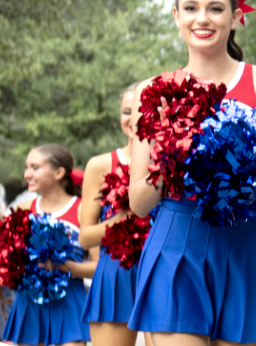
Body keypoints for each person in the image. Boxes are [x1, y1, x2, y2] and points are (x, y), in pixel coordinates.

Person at [126, 0, 256, 346]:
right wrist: (172, 154)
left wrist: (244, 176)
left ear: (236, 17)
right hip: (177, 246)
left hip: (246, 246)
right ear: (176, 15)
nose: (202, 18)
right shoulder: (153, 91)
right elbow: (139, 203)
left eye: (215, 9)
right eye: (191, 8)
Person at [77, 81, 149, 346]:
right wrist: (120, 220)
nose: (133, 119)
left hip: (161, 267)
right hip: (116, 272)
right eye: (127, 111)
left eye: (141, 111)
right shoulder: (100, 165)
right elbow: (85, 237)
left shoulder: (172, 161)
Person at [1, 144, 94, 346]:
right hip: (29, 300)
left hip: (69, 299)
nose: (27, 174)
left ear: (59, 173)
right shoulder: (22, 210)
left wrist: (64, 265)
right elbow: (7, 261)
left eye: (35, 167)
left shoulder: (82, 209)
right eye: (27, 167)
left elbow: (98, 266)